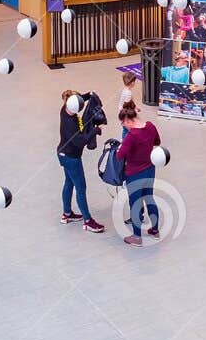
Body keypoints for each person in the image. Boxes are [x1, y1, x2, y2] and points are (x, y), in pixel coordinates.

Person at [57, 88, 106, 233]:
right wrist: (95, 131)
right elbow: (81, 141)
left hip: (63, 154)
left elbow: (76, 99)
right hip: (72, 158)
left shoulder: (64, 109)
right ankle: (88, 221)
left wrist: (88, 95)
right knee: (81, 188)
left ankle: (67, 214)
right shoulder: (71, 123)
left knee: (69, 182)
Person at [115, 103, 161, 245]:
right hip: (150, 170)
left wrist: (121, 147)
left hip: (135, 173)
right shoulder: (150, 126)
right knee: (149, 198)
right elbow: (157, 142)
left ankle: (136, 237)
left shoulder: (132, 135)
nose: (124, 126)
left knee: (135, 204)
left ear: (128, 120)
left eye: (123, 123)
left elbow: (120, 155)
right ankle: (155, 230)